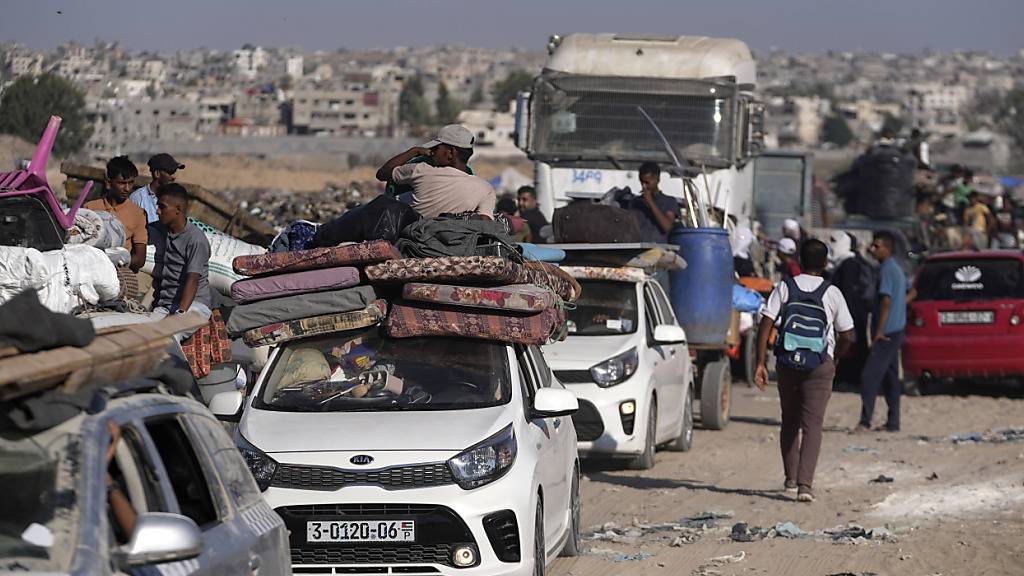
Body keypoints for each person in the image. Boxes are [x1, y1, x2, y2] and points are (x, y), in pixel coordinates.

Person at [755, 239, 855, 503]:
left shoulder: (784, 287)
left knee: (789, 420)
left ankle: (789, 477)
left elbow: (765, 323)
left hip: (787, 362)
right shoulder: (832, 292)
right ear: (825, 263)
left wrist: (760, 363)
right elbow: (848, 334)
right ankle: (804, 486)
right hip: (820, 364)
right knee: (813, 425)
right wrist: (834, 360)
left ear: (799, 260)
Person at [375, 124, 496, 219]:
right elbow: (485, 221)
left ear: (450, 152)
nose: (431, 152)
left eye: (435, 148)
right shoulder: (486, 189)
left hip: (413, 244)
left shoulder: (420, 171)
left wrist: (414, 151)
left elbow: (382, 174)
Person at [856, 231, 907, 433]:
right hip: (897, 329)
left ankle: (865, 421)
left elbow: (886, 301)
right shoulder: (895, 269)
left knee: (870, 376)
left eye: (877, 246)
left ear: (887, 248)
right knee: (891, 378)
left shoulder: (887, 270)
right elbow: (909, 292)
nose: (873, 249)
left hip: (887, 333)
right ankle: (893, 422)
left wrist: (879, 331)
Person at [149, 183, 212, 324]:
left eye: (162, 207)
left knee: (168, 336)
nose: (157, 211)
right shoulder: (162, 229)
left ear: (178, 209)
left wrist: (180, 313)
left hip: (194, 305)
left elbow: (193, 279)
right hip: (166, 305)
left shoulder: (196, 239)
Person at [85, 156, 148, 272]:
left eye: (131, 183)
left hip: (121, 272)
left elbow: (140, 259)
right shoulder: (90, 208)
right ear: (109, 183)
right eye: (122, 183)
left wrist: (118, 260)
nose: (127, 188)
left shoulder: (138, 213)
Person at [828, 231, 871, 386]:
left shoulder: (849, 264)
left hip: (852, 312)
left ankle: (852, 377)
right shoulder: (843, 263)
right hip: (852, 311)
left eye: (835, 242)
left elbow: (846, 292)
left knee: (851, 345)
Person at [625, 162, 678, 244]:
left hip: (660, 249)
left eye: (647, 183)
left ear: (657, 179)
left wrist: (650, 202)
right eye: (641, 182)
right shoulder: (635, 202)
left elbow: (667, 227)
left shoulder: (669, 201)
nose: (644, 187)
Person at [130, 153, 185, 224]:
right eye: (170, 172)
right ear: (157, 174)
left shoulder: (176, 197)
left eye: (174, 172)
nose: (174, 177)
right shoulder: (137, 198)